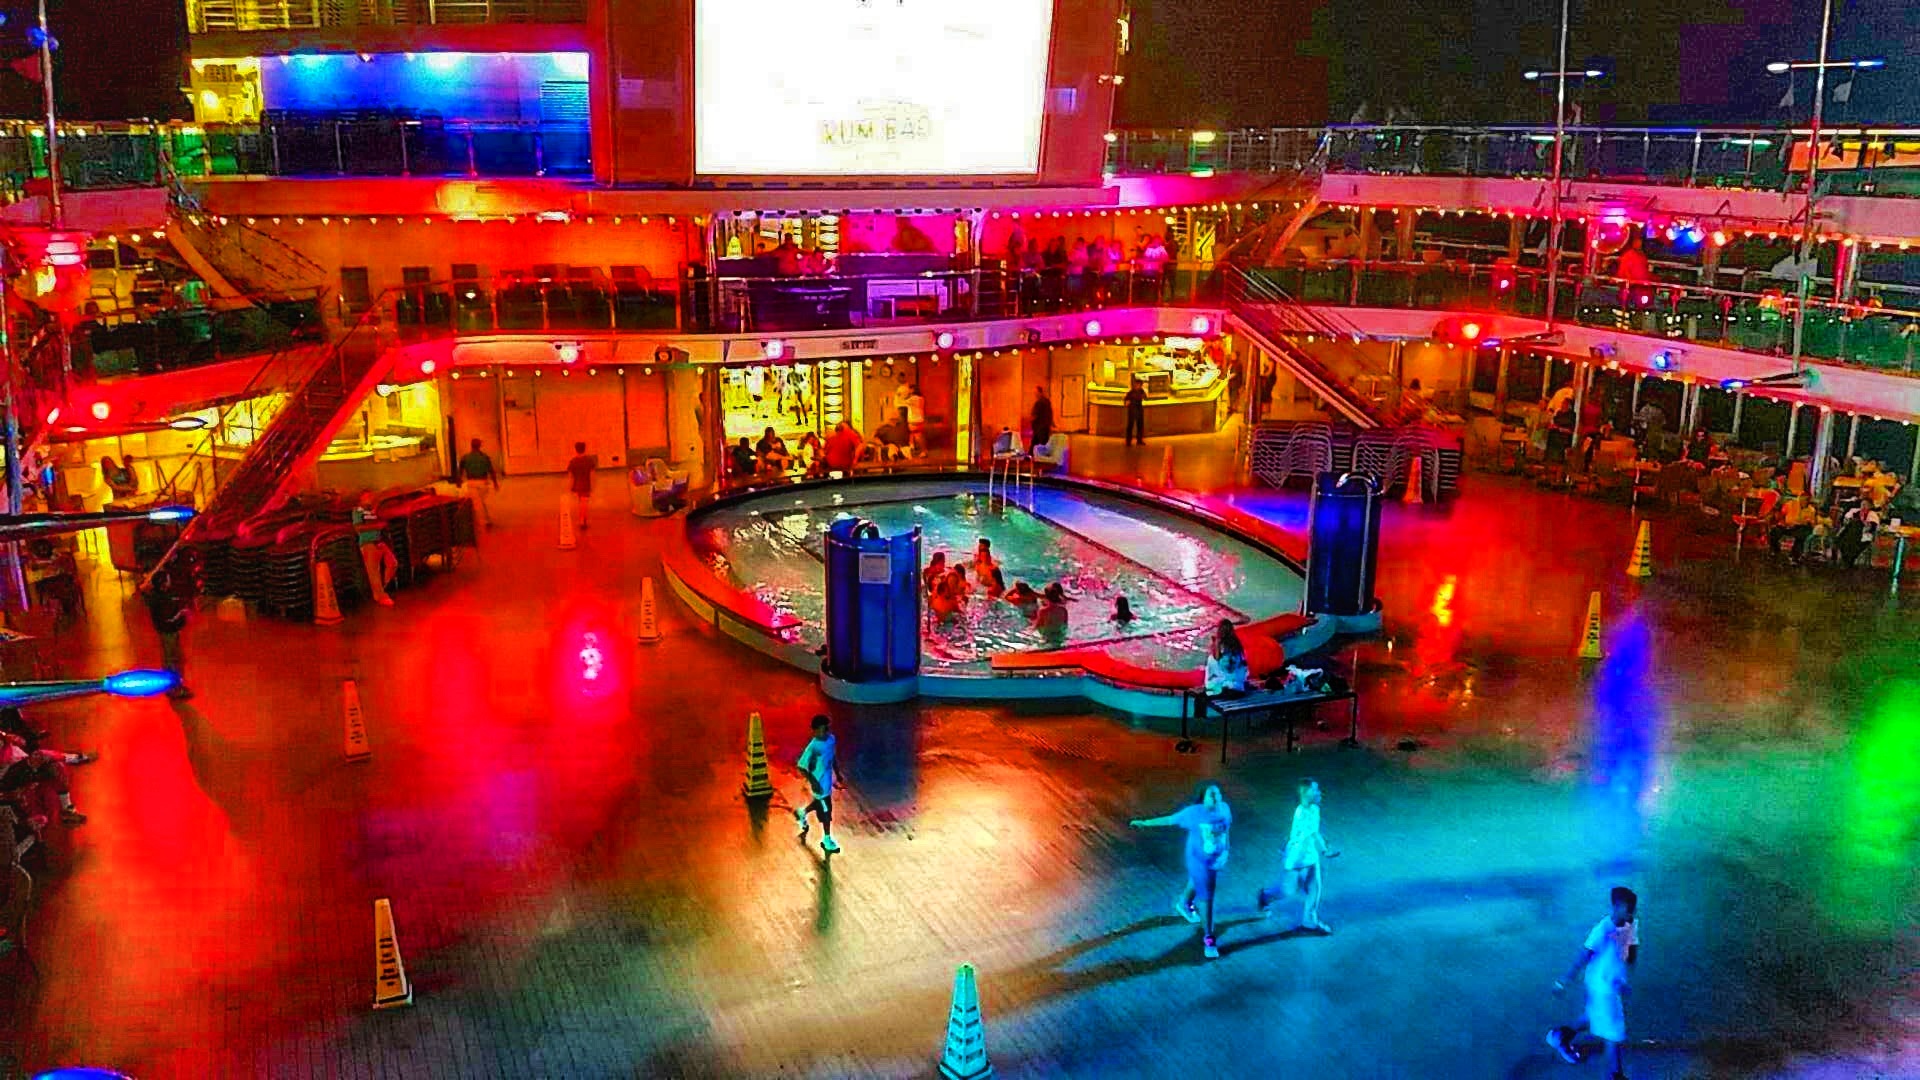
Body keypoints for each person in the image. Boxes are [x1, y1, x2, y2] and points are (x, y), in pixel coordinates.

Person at [1130, 783, 1233, 959]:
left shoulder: (1224, 809)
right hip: (1198, 861)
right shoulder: (1193, 813)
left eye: (1218, 794)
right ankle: (1209, 939)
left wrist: (1226, 850)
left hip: (1214, 860)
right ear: (1203, 798)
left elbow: (1226, 831)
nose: (1216, 798)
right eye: (1211, 795)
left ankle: (1184, 903)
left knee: (1197, 882)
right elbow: (1170, 820)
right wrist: (1145, 823)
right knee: (1208, 898)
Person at [1547, 886, 1640, 1080]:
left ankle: (1560, 1037)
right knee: (1613, 1032)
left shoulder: (1631, 923)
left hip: (1611, 986)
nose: (1631, 911)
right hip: (1601, 988)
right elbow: (1584, 956)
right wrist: (1565, 980)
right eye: (1627, 907)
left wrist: (1625, 972)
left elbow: (1631, 948)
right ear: (1615, 907)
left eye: (1633, 907)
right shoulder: (1602, 930)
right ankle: (1616, 1075)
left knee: (1593, 1017)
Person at [1256, 778, 1339, 933]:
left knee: (1315, 888)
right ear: (1306, 793)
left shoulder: (1315, 809)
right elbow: (1311, 833)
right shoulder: (1301, 813)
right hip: (1296, 858)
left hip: (1310, 855)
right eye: (1315, 790)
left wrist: (1324, 847)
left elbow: (1315, 831)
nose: (1319, 792)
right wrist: (1324, 850)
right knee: (1288, 890)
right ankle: (1265, 896)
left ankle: (1309, 921)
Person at [0, 729, 94, 826]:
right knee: (40, 756)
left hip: (18, 761)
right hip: (8, 776)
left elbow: (15, 739)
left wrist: (9, 737)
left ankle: (67, 809)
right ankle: (75, 759)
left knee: (56, 767)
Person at [142, 564, 194, 699]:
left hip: (169, 632)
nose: (170, 581)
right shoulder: (162, 600)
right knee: (173, 660)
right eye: (168, 579)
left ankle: (174, 686)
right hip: (169, 633)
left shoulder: (157, 597)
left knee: (173, 659)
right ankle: (175, 689)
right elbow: (169, 618)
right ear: (163, 584)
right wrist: (182, 614)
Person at [793, 714, 840, 854]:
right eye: (822, 730)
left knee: (820, 805)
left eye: (827, 729)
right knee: (826, 811)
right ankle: (826, 839)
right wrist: (814, 782)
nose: (825, 732)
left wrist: (838, 773)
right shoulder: (813, 747)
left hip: (826, 785)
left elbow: (832, 757)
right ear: (814, 731)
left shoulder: (831, 740)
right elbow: (801, 766)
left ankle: (802, 813)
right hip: (819, 787)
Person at [458, 439, 500, 527]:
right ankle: (485, 520)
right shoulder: (485, 457)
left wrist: (459, 481)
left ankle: (484, 522)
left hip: (471, 482)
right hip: (483, 483)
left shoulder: (465, 457)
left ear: (471, 445)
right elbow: (491, 471)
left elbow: (460, 471)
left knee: (477, 503)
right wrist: (495, 483)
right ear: (480, 446)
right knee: (479, 502)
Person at [1769, 490, 1817, 563]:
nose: (1805, 501)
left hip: (1799, 527)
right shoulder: (1790, 504)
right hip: (1786, 525)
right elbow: (1781, 515)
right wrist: (1783, 522)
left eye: (1807, 499)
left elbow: (1812, 523)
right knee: (1775, 532)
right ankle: (1775, 550)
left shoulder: (1811, 510)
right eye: (1804, 498)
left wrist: (1807, 522)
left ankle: (1795, 555)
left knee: (1801, 535)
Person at [1835, 502, 1880, 569]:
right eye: (1862, 504)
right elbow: (1845, 521)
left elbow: (1872, 527)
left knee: (1856, 530)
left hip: (1863, 536)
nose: (1863, 506)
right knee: (1844, 540)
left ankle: (1848, 560)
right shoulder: (1854, 511)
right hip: (1849, 533)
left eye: (1866, 505)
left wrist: (1864, 523)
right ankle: (1846, 560)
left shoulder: (1872, 515)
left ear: (1870, 507)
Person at [565, 442, 597, 530]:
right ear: (584, 449)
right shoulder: (589, 460)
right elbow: (592, 474)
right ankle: (582, 520)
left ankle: (582, 519)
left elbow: (570, 476)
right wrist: (593, 485)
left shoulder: (573, 461)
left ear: (576, 449)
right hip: (586, 484)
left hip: (577, 485)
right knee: (584, 502)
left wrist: (570, 487)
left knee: (581, 502)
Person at [1123, 376, 1147, 447]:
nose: (1138, 386)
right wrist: (1127, 403)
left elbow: (1145, 397)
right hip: (1132, 410)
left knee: (1140, 425)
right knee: (1130, 425)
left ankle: (1139, 440)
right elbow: (1126, 401)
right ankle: (1129, 441)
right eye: (1137, 384)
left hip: (1138, 410)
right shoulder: (1131, 392)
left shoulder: (1141, 391)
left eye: (1139, 385)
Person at [1029, 385, 1054, 449]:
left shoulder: (1039, 402)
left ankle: (1035, 455)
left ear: (1040, 392)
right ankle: (1031, 455)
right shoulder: (1047, 401)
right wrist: (1051, 423)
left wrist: (1030, 420)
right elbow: (1050, 412)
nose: (1035, 394)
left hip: (1039, 427)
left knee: (1040, 443)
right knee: (1037, 442)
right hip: (1045, 426)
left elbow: (1035, 415)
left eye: (1036, 392)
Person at [906, 384, 927, 452]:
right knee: (913, 434)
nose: (908, 391)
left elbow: (901, 402)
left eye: (909, 389)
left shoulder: (912, 399)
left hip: (914, 420)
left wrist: (906, 395)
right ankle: (912, 447)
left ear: (912, 390)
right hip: (920, 419)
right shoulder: (921, 398)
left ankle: (923, 451)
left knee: (917, 436)